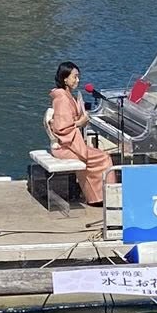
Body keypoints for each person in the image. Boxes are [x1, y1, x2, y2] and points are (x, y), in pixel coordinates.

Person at [48, 60, 112, 206]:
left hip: (69, 144)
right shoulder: (63, 98)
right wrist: (80, 123)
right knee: (104, 158)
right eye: (75, 77)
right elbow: (61, 129)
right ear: (65, 79)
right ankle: (101, 197)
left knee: (97, 156)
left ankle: (95, 196)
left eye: (78, 77)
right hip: (65, 147)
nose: (78, 80)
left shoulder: (66, 95)